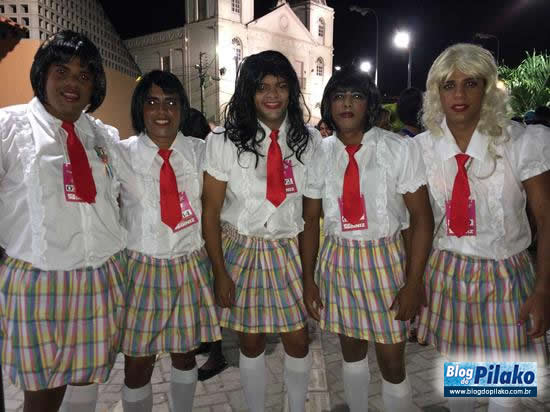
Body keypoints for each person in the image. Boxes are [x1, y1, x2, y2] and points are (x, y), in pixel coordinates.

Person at [415, 43, 550, 412]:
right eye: (448, 85)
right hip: (447, 271)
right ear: (437, 92)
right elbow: (418, 223)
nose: (459, 94)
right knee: (461, 385)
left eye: (470, 83)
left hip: (505, 275)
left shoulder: (521, 142)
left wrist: (543, 289)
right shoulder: (421, 148)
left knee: (505, 392)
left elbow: (546, 219)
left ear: (487, 88)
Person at [0, 30, 126, 412]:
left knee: (87, 378)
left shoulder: (103, 136)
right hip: (38, 281)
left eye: (83, 75)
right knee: (42, 395)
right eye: (61, 71)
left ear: (94, 85)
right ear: (43, 74)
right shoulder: (8, 128)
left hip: (100, 275)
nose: (72, 83)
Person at [301, 66, 434, 412]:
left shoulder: (398, 149)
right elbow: (310, 220)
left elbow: (421, 219)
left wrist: (414, 283)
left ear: (370, 104)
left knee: (392, 361)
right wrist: (308, 279)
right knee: (351, 352)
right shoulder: (319, 152)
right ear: (329, 104)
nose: (346, 104)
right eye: (339, 96)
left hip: (385, 262)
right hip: (338, 260)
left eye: (356, 96)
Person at [202, 50, 319, 412]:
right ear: (248, 92)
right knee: (250, 343)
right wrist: (219, 272)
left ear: (291, 91)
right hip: (241, 249)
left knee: (298, 340)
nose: (272, 94)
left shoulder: (309, 141)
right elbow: (211, 210)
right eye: (262, 87)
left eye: (281, 86)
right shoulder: (223, 141)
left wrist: (310, 277)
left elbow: (311, 216)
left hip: (288, 250)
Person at [115, 70, 221, 412]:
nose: (162, 111)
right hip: (140, 268)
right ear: (140, 108)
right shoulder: (120, 154)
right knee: (137, 364)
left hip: (189, 264)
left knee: (185, 355)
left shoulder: (201, 152)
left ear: (182, 109)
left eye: (171, 102)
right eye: (152, 102)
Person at [183, 107, 229, 381]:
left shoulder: (205, 152)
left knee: (214, 296)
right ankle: (207, 341)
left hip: (211, 232)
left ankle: (217, 353)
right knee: (204, 296)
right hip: (193, 234)